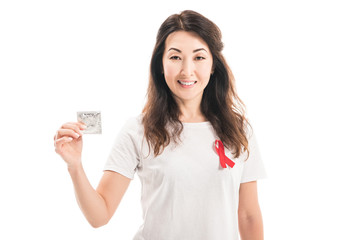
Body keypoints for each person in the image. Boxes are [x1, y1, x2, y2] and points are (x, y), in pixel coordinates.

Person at [54, 9, 267, 240]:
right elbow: (100, 216)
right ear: (160, 64)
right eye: (175, 57)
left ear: (213, 65)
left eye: (199, 57)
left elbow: (248, 216)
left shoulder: (239, 129)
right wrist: (75, 166)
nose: (187, 71)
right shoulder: (138, 131)